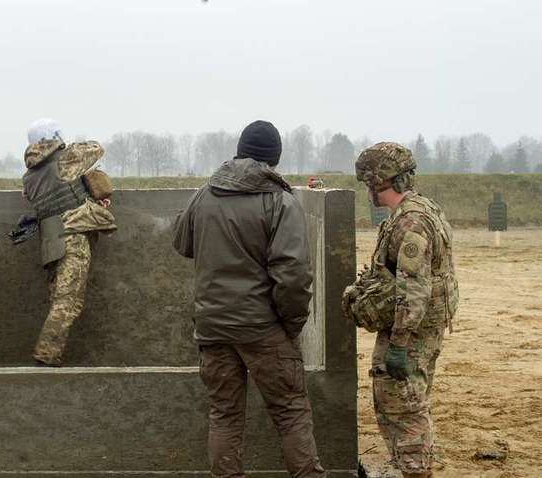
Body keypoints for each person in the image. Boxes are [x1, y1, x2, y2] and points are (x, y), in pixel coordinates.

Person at [173, 120, 327, 478]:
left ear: (239, 151)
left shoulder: (205, 194)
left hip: (212, 329)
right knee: (290, 413)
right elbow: (293, 276)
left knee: (224, 416)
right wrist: (290, 326)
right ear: (274, 159)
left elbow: (182, 242)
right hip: (263, 328)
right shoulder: (280, 201)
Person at [351, 142, 458, 478]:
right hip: (421, 329)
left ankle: (415, 472)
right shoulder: (424, 209)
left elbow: (414, 289)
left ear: (378, 181)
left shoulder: (411, 222)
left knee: (402, 407)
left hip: (409, 333)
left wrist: (397, 345)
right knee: (411, 401)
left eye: (368, 182)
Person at [21, 118, 116, 367]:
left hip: (51, 241)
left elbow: (57, 193)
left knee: (58, 297)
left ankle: (49, 355)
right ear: (55, 137)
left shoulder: (29, 176)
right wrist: (66, 146)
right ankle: (47, 355)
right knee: (68, 300)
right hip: (72, 237)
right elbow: (96, 148)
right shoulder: (66, 158)